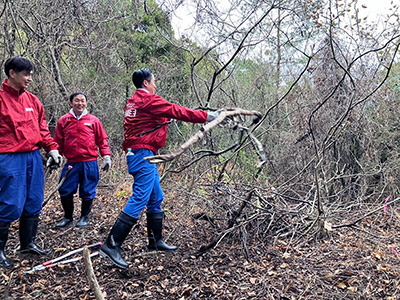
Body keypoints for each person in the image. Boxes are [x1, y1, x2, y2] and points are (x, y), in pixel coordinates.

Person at [99, 68, 219, 269]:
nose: (156, 85)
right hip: (142, 154)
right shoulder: (148, 100)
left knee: (156, 197)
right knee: (140, 197)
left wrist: (164, 119)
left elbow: (146, 121)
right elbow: (177, 110)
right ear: (145, 83)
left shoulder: (135, 101)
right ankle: (112, 245)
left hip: (145, 153)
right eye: (154, 82)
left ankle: (155, 242)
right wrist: (207, 116)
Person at [0, 56, 62, 268]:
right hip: (9, 157)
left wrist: (52, 148)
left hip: (33, 156)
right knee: (11, 202)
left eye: (31, 75)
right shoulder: (0, 99)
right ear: (12, 73)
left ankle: (28, 244)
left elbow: (42, 129)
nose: (29, 79)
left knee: (34, 199)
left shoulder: (33, 101)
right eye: (26, 74)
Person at [54, 92, 111, 229]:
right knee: (65, 190)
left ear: (86, 103)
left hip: (89, 162)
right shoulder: (64, 120)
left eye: (83, 101)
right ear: (71, 103)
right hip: (71, 163)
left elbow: (101, 141)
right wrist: (55, 155)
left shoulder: (93, 120)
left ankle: (84, 217)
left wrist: (106, 156)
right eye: (76, 101)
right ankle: (67, 217)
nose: (80, 103)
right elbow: (58, 142)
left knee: (87, 190)